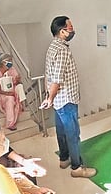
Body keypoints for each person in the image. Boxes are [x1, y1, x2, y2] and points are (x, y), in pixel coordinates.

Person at [41, 16, 97, 178]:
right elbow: (57, 79)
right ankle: (77, 167)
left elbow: (49, 75)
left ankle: (64, 158)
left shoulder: (52, 47)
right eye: (70, 28)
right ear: (62, 31)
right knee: (73, 133)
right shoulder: (62, 50)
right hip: (66, 99)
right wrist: (50, 98)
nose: (73, 30)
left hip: (59, 101)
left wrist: (49, 96)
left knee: (61, 130)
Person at [0, 53, 22, 131]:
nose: (11, 62)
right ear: (3, 62)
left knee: (17, 91)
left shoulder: (12, 69)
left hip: (11, 91)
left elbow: (15, 83)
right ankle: (10, 123)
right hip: (1, 93)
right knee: (10, 99)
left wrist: (18, 80)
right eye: (9, 61)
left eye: (11, 61)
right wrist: (7, 93)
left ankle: (19, 105)